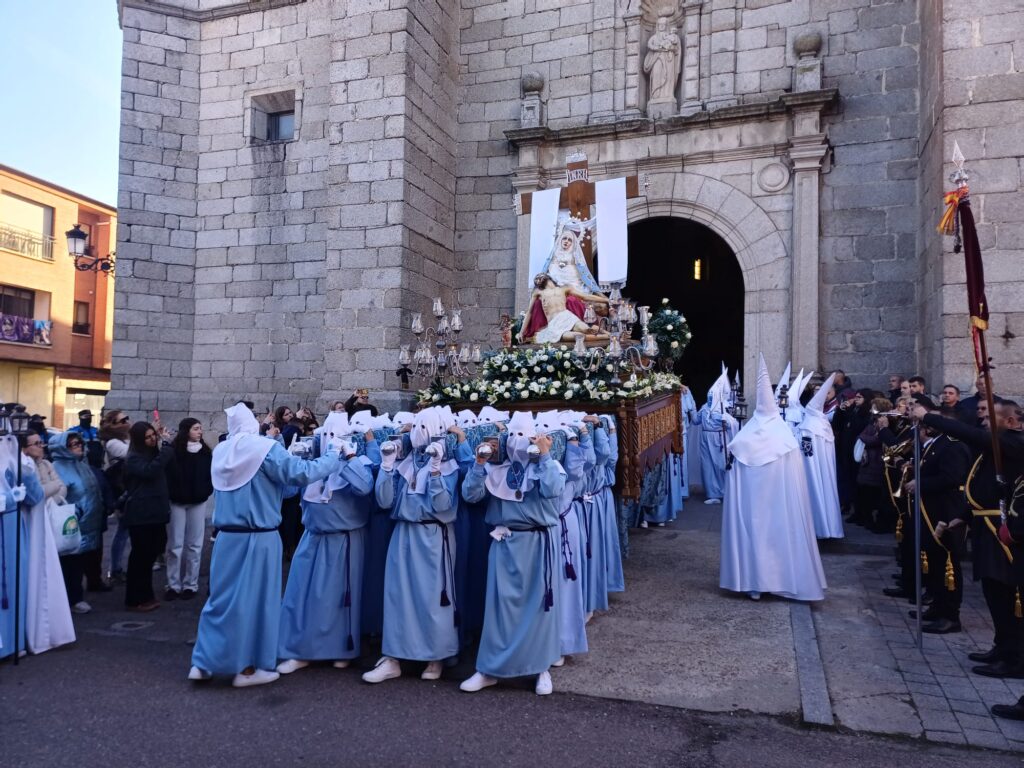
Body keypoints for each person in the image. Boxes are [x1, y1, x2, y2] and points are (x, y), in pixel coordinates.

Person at [189, 403, 345, 688]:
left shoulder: (222, 451)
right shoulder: (264, 449)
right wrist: (334, 456)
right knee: (256, 602)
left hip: (226, 536)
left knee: (220, 600)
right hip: (258, 536)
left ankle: (203, 661)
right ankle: (247, 668)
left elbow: (273, 485)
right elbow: (300, 473)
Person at [362, 408, 470, 684]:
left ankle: (436, 656)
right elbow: (385, 501)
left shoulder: (448, 465)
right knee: (398, 595)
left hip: (433, 535)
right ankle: (394, 656)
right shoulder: (405, 462)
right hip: (403, 532)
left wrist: (435, 472)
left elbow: (443, 505)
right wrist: (387, 467)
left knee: (433, 596)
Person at [460, 412, 564, 696]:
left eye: (524, 436)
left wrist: (544, 455)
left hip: (537, 543)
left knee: (539, 609)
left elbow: (553, 489)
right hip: (504, 543)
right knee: (499, 609)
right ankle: (489, 669)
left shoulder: (548, 465)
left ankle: (540, 668)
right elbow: (471, 496)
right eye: (513, 435)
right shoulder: (498, 470)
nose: (518, 442)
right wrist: (479, 464)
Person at [913, 398, 1024, 659]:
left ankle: (1013, 656)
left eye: (989, 418)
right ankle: (1002, 646)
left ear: (1010, 421)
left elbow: (969, 434)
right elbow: (984, 486)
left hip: (1001, 528)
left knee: (1004, 593)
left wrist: (928, 417)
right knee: (993, 591)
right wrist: (963, 516)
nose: (982, 422)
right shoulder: (996, 447)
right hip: (984, 523)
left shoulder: (1014, 443)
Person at [720, 355, 826, 601]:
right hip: (779, 504)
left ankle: (754, 581)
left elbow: (733, 473)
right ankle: (779, 579)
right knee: (778, 537)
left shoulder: (744, 437)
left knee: (754, 536)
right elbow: (796, 478)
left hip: (752, 504)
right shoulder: (785, 438)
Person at [277, 412, 375, 674]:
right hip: (312, 537)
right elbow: (288, 491)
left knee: (340, 599)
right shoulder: (314, 462)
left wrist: (348, 458)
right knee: (301, 596)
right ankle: (300, 649)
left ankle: (342, 649)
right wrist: (292, 458)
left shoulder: (359, 462)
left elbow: (365, 487)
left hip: (344, 539)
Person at [904, 402, 972, 634]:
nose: (928, 423)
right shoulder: (938, 443)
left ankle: (950, 614)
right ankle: (937, 606)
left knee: (947, 564)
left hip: (945, 511)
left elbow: (952, 477)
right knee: (934, 562)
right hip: (931, 509)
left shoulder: (953, 445)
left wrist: (921, 483)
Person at [20, 433, 75, 653]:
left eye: (41, 442)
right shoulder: (25, 465)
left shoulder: (45, 464)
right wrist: (50, 489)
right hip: (35, 518)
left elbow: (61, 486)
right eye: (36, 443)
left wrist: (50, 493)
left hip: (48, 512)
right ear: (25, 448)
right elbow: (37, 493)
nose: (41, 446)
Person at [49, 432, 105, 615]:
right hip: (71, 523)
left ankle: (76, 595)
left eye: (79, 443)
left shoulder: (82, 464)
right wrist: (76, 512)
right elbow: (58, 496)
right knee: (70, 563)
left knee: (80, 562)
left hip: (88, 522)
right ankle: (72, 599)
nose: (78, 446)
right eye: (73, 444)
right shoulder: (57, 467)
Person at [122, 422, 175, 612]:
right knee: (141, 557)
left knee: (152, 553)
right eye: (148, 437)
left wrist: (162, 444)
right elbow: (150, 470)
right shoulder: (133, 458)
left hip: (155, 512)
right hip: (141, 513)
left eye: (153, 435)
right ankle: (135, 598)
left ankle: (146, 594)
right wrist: (166, 446)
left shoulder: (151, 454)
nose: (152, 439)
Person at [1, 428, 43, 659]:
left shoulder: (13, 458)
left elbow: (35, 496)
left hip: (11, 529)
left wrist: (25, 471)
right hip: (7, 524)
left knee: (15, 584)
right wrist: (9, 499)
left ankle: (12, 643)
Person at [164, 418, 213, 601]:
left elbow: (210, 475)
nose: (200, 432)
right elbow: (168, 474)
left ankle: (191, 584)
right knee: (175, 545)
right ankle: (173, 584)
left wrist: (205, 490)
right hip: (177, 501)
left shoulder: (205, 452)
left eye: (200, 428)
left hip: (198, 501)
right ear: (186, 431)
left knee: (195, 544)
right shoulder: (174, 451)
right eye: (196, 429)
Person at [797, 373, 844, 539]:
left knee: (816, 491)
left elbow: (807, 449)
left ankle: (820, 527)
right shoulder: (823, 423)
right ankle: (830, 527)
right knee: (827, 491)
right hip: (825, 466)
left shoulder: (809, 425)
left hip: (813, 466)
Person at [519, 273, 610, 344]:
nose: (537, 279)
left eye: (539, 276)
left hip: (568, 317)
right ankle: (608, 336)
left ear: (548, 277)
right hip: (555, 324)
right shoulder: (538, 292)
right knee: (578, 336)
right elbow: (529, 312)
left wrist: (607, 300)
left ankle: (607, 333)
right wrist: (521, 332)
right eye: (536, 279)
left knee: (586, 330)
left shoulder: (564, 288)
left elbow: (585, 297)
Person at [691, 370, 737, 504]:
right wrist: (692, 407)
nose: (710, 398)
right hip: (705, 438)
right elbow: (695, 421)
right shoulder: (704, 407)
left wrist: (725, 421)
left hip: (718, 439)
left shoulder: (722, 409)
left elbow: (732, 424)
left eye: (712, 395)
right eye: (709, 395)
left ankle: (724, 491)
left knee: (720, 465)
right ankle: (712, 494)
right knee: (707, 466)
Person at [853, 398, 895, 532]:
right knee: (865, 493)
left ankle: (874, 521)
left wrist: (865, 439)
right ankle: (865, 518)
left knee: (874, 494)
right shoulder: (872, 422)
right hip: (868, 463)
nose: (871, 410)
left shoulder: (884, 422)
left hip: (877, 462)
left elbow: (877, 439)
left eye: (874, 407)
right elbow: (861, 435)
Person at [100, 410, 132, 582]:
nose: (127, 422)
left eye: (127, 418)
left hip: (129, 487)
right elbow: (133, 454)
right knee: (123, 530)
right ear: (114, 425)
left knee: (125, 530)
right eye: (123, 420)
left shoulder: (126, 438)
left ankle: (117, 567)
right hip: (122, 489)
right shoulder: (113, 443)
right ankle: (115, 568)